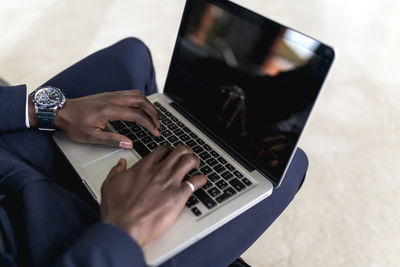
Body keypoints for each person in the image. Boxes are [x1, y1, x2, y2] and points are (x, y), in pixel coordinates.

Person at [0, 37, 308, 267]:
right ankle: (271, 95)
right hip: (59, 249)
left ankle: (225, 106)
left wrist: (40, 109)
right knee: (288, 166)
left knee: (132, 57)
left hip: (9, 161)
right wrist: (124, 231)